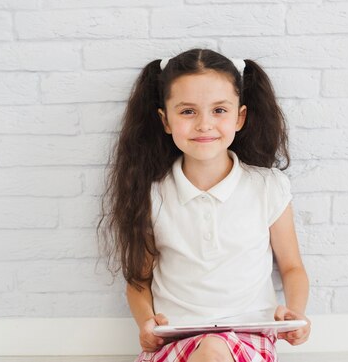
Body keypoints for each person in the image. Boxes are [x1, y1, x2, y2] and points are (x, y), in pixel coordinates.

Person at [98, 48, 310, 362]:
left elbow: (292, 268)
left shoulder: (267, 186)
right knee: (209, 349)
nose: (204, 124)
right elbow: (139, 280)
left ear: (240, 117)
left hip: (248, 335)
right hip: (176, 338)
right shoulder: (153, 193)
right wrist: (146, 322)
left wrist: (297, 313)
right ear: (165, 120)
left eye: (219, 111)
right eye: (188, 112)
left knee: (213, 349)